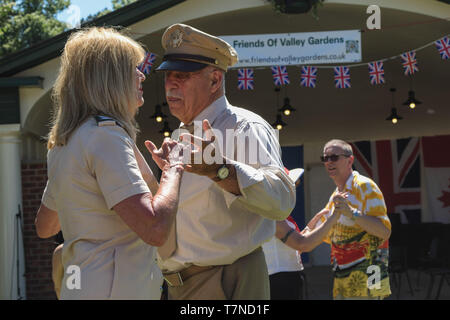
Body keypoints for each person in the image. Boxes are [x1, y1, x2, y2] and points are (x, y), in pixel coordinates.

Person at [146, 23, 296, 300]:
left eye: (183, 75)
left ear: (215, 80)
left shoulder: (244, 126)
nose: (171, 83)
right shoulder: (181, 133)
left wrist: (220, 170)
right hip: (183, 285)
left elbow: (282, 201)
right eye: (168, 75)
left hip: (227, 281)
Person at [34, 27, 186, 299]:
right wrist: (173, 169)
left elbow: (45, 226)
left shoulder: (63, 143)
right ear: (109, 78)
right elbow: (155, 229)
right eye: (132, 68)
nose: (142, 75)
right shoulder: (106, 136)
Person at [310, 139, 391, 300]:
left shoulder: (365, 186)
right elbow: (328, 235)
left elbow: (384, 231)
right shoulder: (336, 194)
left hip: (370, 278)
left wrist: (352, 213)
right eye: (325, 158)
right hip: (344, 278)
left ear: (350, 160)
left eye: (334, 157)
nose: (329, 162)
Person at [262, 168, 341, 300]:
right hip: (279, 283)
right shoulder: (273, 217)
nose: (294, 189)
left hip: (285, 280)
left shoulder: (278, 215)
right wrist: (333, 218)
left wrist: (310, 227)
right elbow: (303, 245)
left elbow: (294, 248)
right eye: (291, 186)